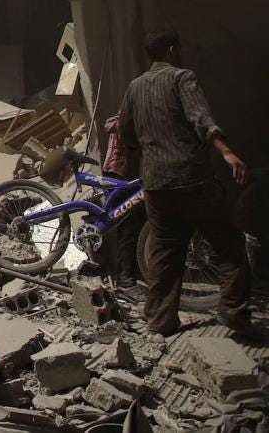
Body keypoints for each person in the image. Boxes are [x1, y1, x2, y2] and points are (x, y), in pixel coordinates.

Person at [119, 29, 251, 337]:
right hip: (191, 179)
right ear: (172, 51)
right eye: (180, 48)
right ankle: (233, 311)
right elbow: (201, 118)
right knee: (230, 244)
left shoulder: (134, 87)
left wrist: (152, 149)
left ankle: (160, 321)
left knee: (164, 253)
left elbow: (126, 134)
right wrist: (228, 153)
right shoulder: (182, 78)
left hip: (156, 185)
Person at [102, 112, 144, 289]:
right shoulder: (123, 118)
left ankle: (131, 272)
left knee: (134, 224)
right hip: (117, 172)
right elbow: (109, 124)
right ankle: (126, 278)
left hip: (130, 176)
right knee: (128, 226)